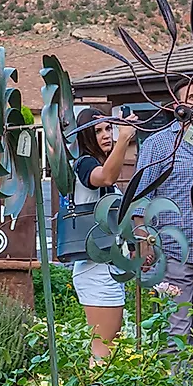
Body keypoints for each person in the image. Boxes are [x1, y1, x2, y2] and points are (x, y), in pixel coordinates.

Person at [128, 80, 193, 346]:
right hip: (174, 251)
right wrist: (143, 240)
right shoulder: (159, 144)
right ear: (177, 105)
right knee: (175, 333)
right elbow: (140, 197)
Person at [66, 108, 134, 364]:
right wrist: (124, 139)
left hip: (105, 267)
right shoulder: (85, 164)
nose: (106, 135)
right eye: (98, 131)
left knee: (108, 345)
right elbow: (105, 176)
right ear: (86, 136)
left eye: (109, 128)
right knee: (103, 348)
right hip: (95, 270)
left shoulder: (98, 164)